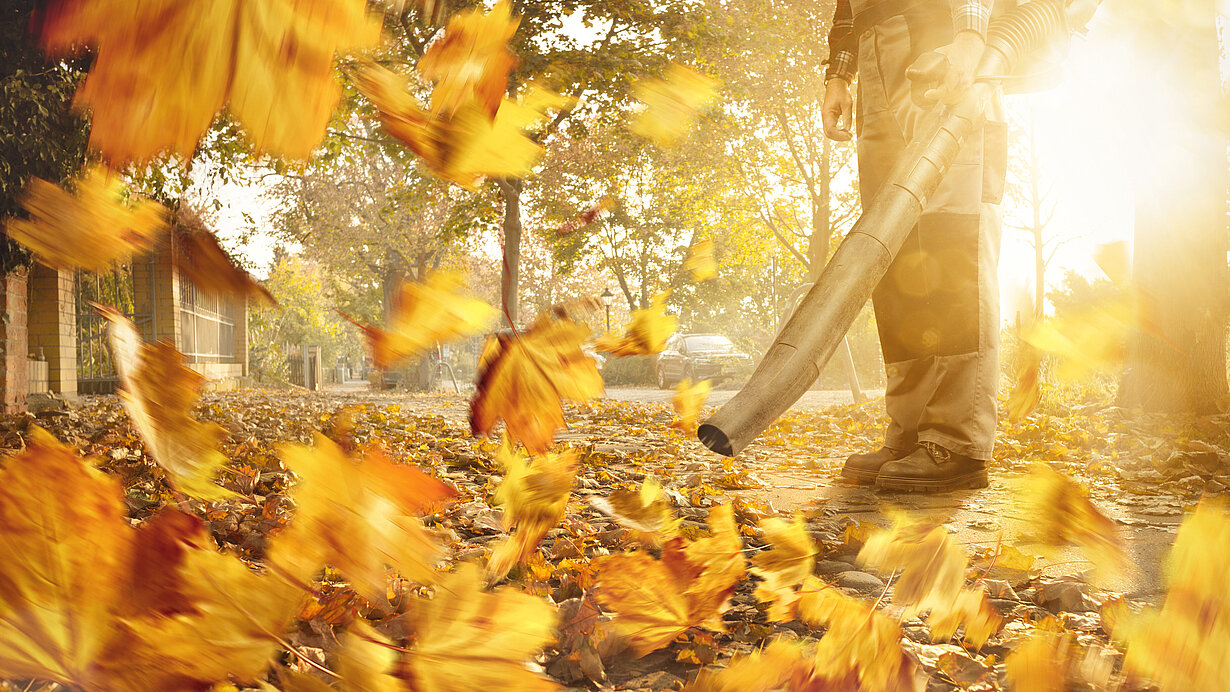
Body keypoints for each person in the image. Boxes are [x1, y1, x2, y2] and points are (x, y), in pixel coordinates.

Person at [822, 0, 1008, 492]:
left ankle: (957, 439)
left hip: (942, 43)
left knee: (953, 244)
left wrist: (970, 37)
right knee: (896, 253)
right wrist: (839, 73)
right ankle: (909, 432)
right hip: (875, 53)